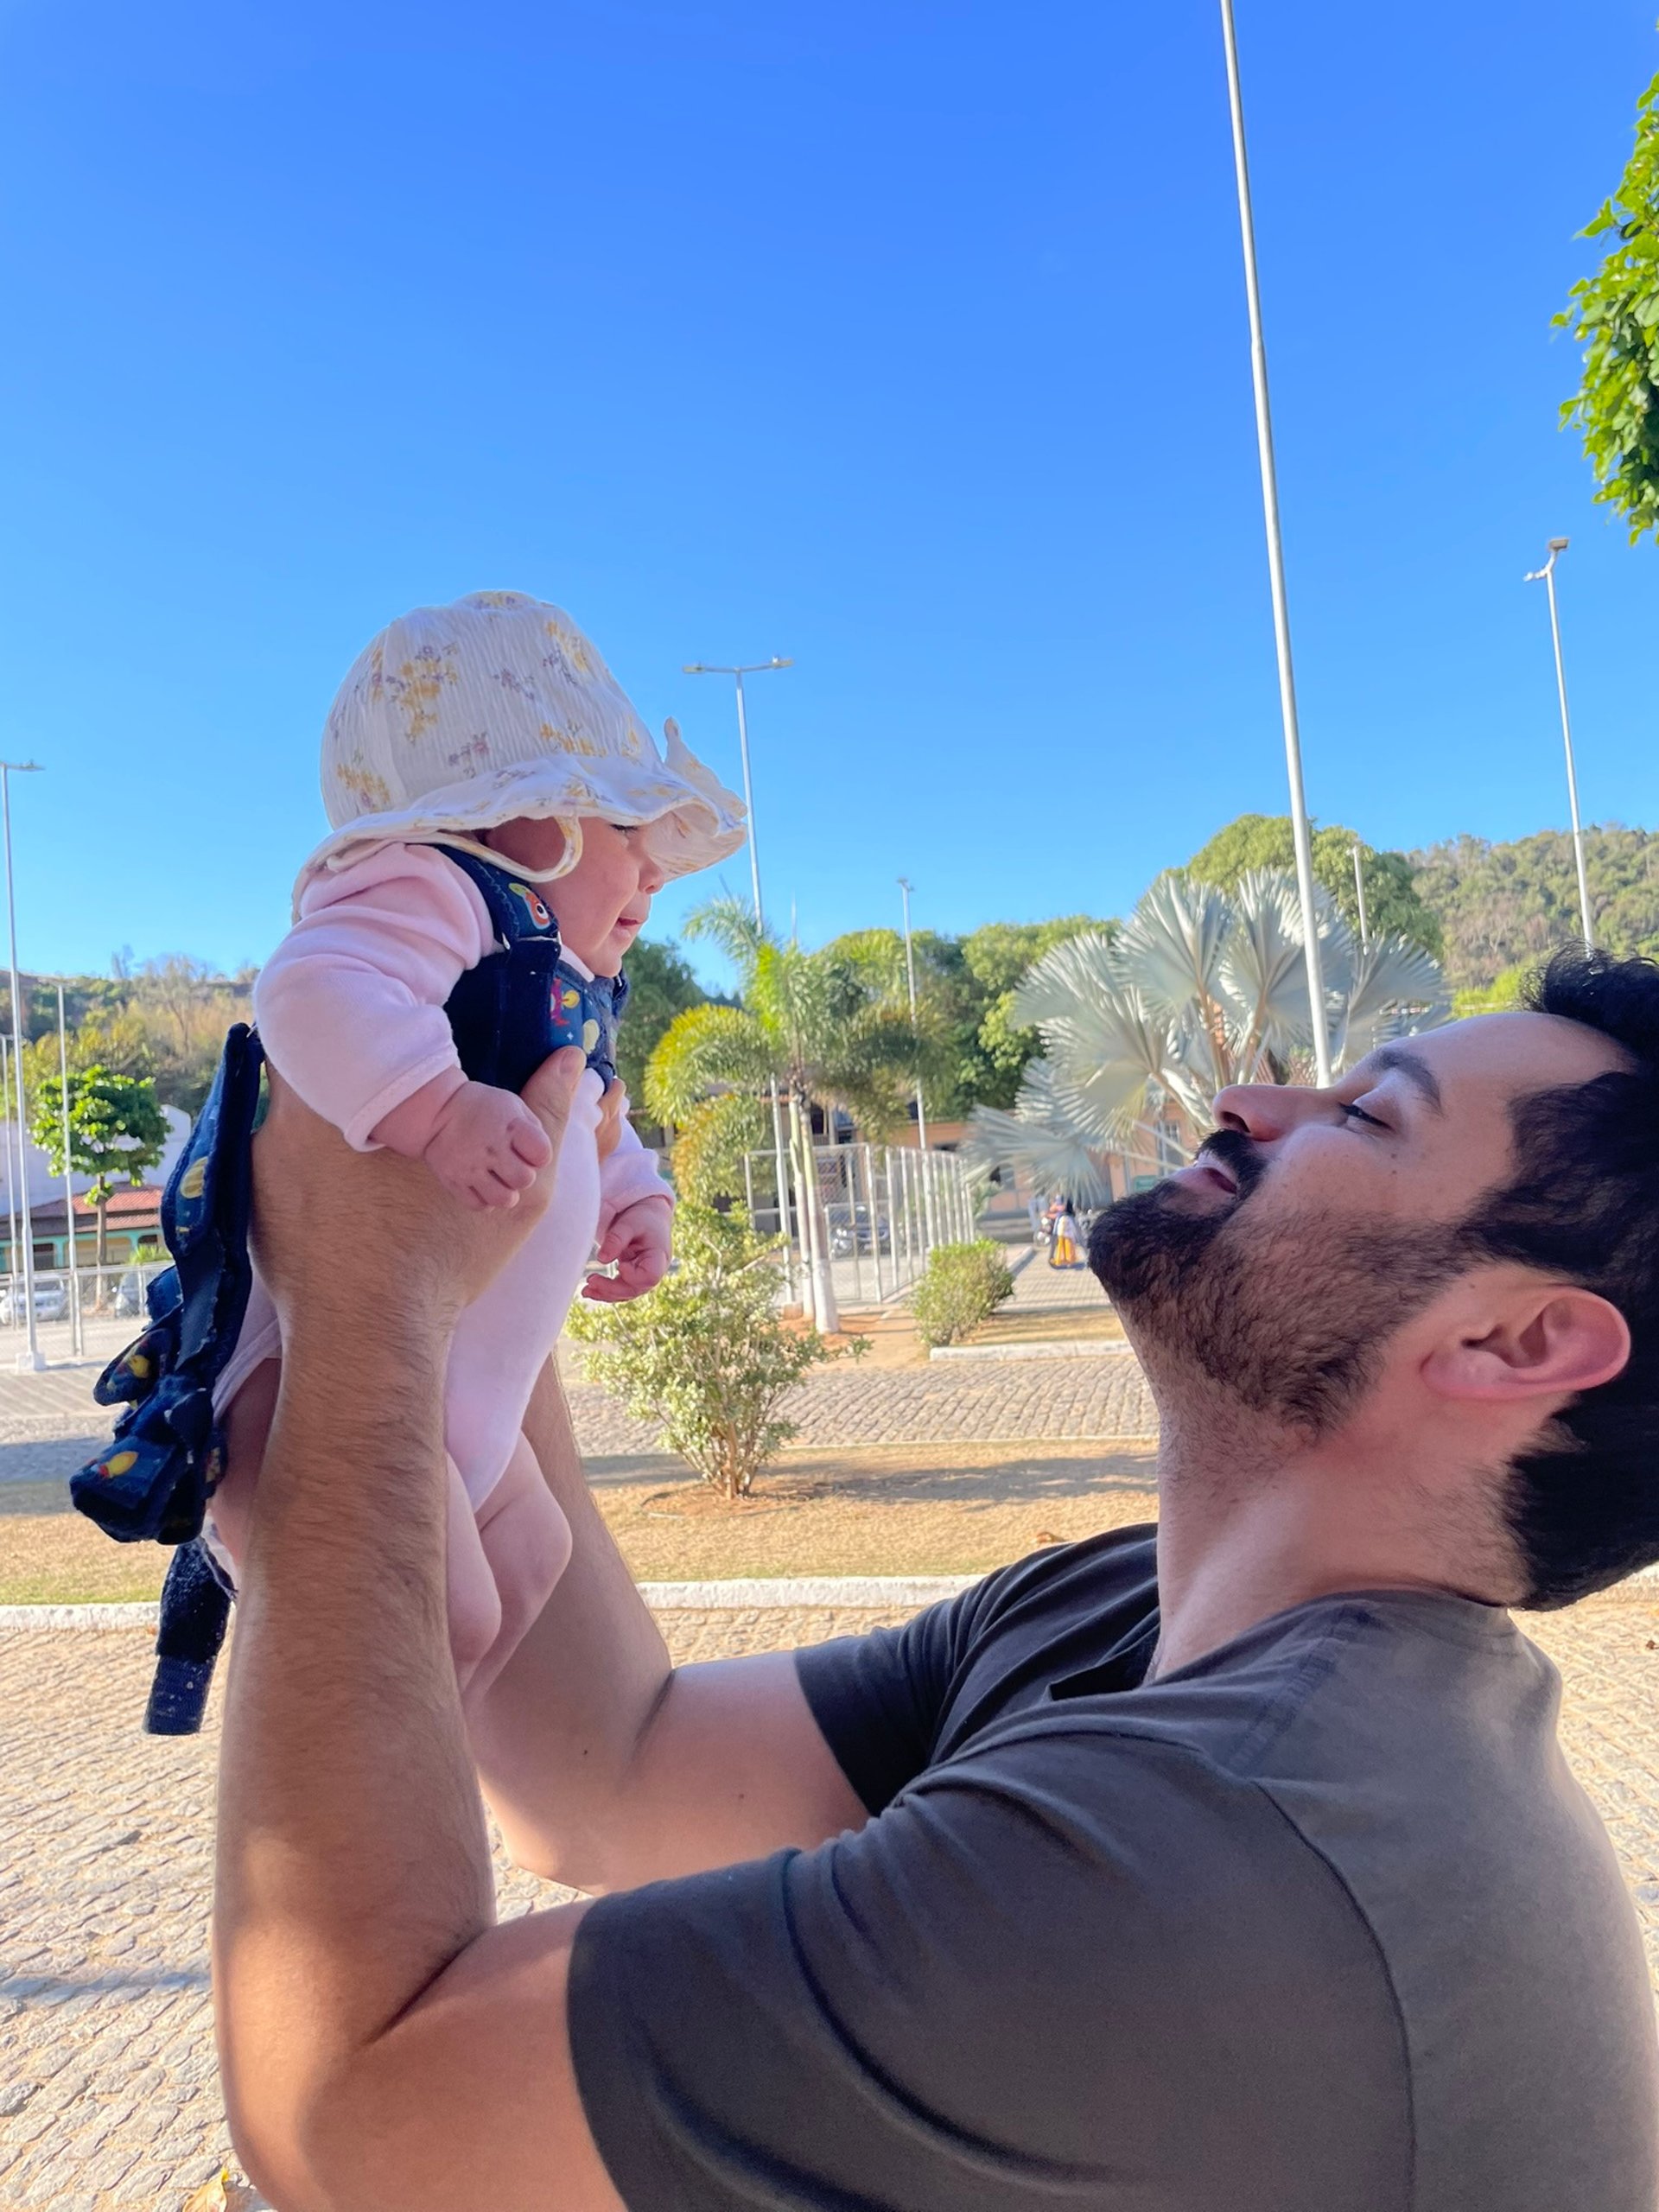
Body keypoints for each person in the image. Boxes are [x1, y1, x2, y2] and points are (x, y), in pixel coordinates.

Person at [213, 950, 1659, 2211]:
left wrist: (366, 1316)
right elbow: (612, 1775)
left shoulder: (1226, 1848)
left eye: (1364, 1115)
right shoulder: (1132, 1618)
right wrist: (513, 1205)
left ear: (1516, 1347)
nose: (1252, 1106)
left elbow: (346, 2122)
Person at [206, 589, 744, 1701]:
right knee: (436, 1615)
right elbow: (311, 989)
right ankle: (381, 1733)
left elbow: (593, 1110)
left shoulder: (559, 973)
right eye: (631, 832)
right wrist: (438, 1110)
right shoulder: (442, 887)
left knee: (524, 1570)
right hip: (321, 1394)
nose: (655, 872)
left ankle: (423, 1741)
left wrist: (632, 1194)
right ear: (528, 823)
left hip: (462, 1413)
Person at [1048, 1193, 1083, 1267]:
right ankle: (1057, 1258)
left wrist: (1056, 1208)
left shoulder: (1068, 1196)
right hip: (1063, 1218)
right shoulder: (1061, 1196)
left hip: (1067, 1218)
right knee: (1060, 1238)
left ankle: (1068, 1259)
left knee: (1075, 1237)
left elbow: (1062, 1207)